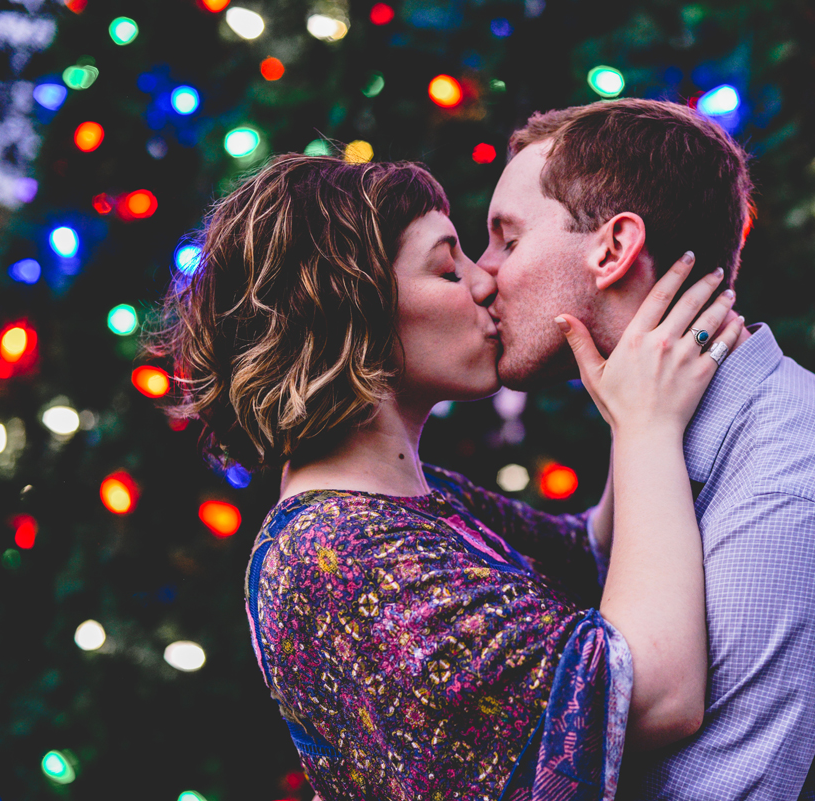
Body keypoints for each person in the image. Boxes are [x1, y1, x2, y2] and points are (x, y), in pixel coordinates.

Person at [148, 154, 744, 800]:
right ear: (356, 313)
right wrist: (647, 427)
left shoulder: (411, 500)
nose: (486, 280)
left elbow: (591, 554)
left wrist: (629, 361)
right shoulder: (336, 555)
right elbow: (653, 693)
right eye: (446, 265)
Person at [476, 98, 815, 800]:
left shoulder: (788, 501)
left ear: (612, 249)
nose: (483, 274)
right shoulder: (663, 429)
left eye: (508, 240)